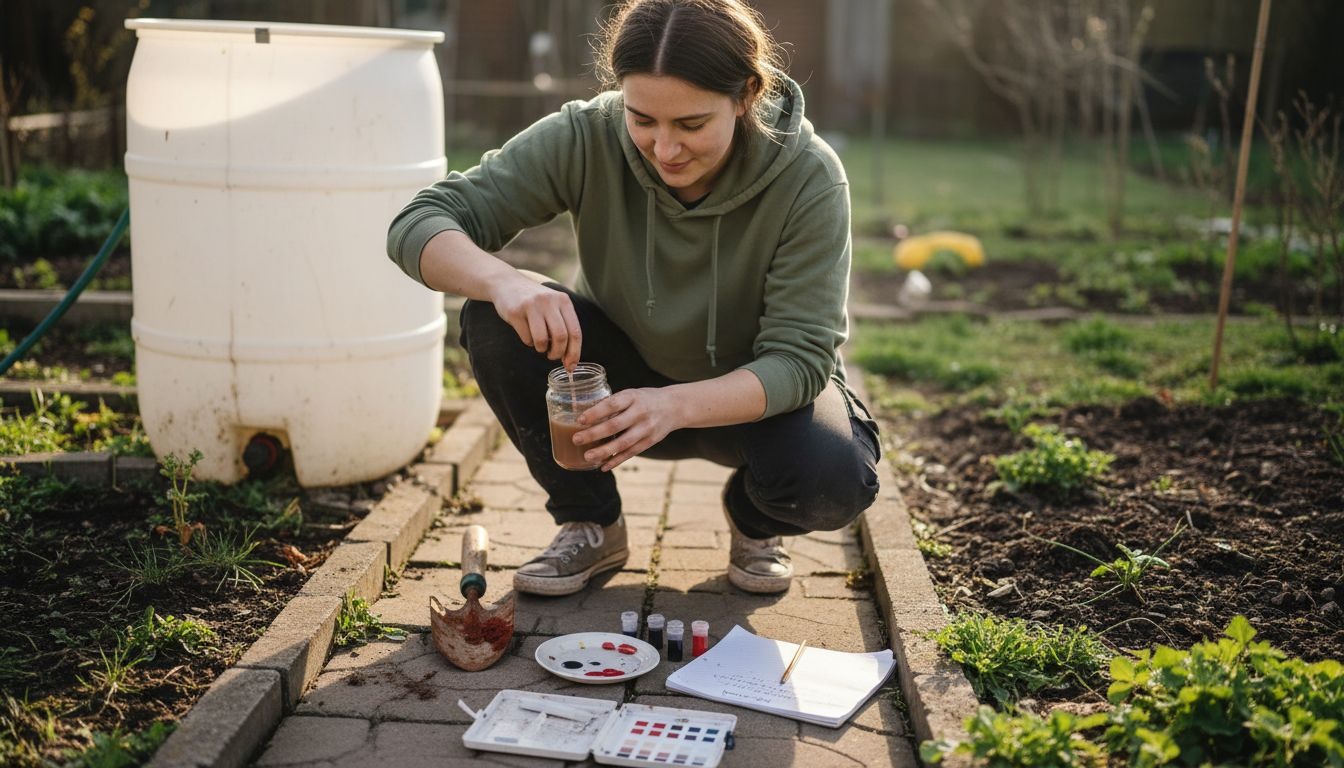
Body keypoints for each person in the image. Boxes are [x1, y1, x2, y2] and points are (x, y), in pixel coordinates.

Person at [387, 0, 880, 596]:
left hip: (748, 402)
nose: (664, 148)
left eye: (691, 125)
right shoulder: (586, 135)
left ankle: (755, 521)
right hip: (614, 392)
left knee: (834, 480)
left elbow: (801, 360)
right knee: (493, 314)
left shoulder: (808, 177)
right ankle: (590, 522)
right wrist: (505, 283)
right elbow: (419, 221)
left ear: (747, 93)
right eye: (642, 119)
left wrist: (673, 405)